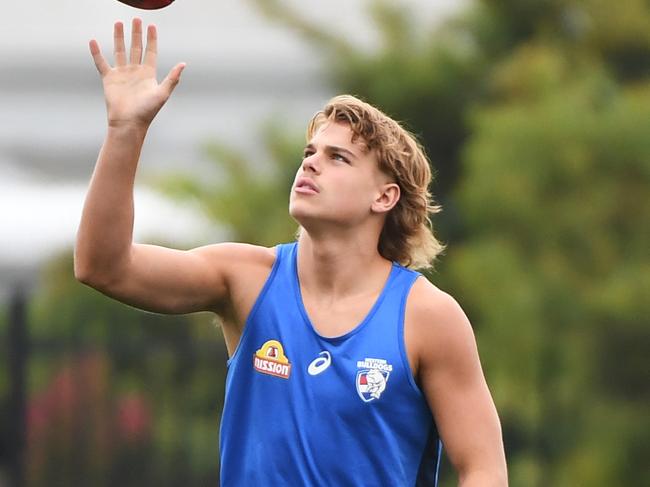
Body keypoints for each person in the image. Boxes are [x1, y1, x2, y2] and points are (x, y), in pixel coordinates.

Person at [75, 18, 508, 486]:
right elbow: (103, 266)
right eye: (310, 151)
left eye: (337, 157)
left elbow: (483, 469)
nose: (310, 162)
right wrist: (125, 129)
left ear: (384, 197)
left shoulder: (427, 316)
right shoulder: (245, 279)